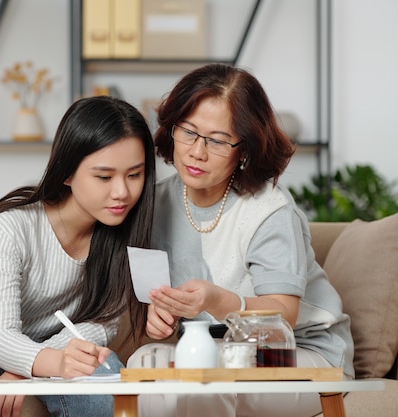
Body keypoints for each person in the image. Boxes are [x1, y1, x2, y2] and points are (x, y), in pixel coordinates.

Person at [128, 63, 354, 417]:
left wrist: (218, 300)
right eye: (188, 131)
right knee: (144, 363)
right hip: (212, 351)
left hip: (301, 355)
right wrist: (153, 314)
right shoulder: (154, 203)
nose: (196, 152)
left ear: (244, 149)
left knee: (211, 379)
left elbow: (283, 315)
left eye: (217, 141)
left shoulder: (268, 210)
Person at [0, 95, 155, 417]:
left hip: (56, 339)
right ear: (66, 172)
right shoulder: (11, 227)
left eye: (134, 174)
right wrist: (45, 362)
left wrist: (28, 366)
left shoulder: (127, 231)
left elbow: (102, 323)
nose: (122, 192)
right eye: (104, 177)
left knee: (103, 386)